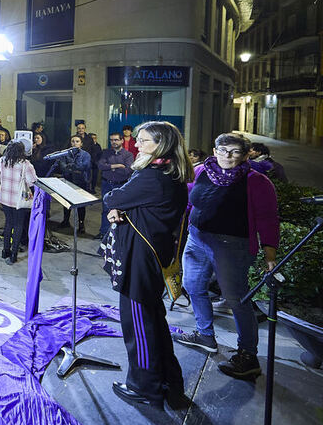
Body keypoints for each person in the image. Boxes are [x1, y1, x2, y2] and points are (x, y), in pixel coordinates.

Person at [173, 133, 279, 380]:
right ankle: (205, 335)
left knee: (236, 298)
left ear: (245, 155)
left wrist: (269, 252)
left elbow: (268, 218)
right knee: (193, 286)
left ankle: (248, 356)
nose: (228, 156)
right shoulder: (202, 171)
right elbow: (191, 201)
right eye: (223, 150)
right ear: (214, 150)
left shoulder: (256, 181)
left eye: (235, 152)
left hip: (232, 245)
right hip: (197, 237)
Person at [100, 121, 190, 407]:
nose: (136, 145)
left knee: (138, 325)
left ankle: (144, 387)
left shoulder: (151, 176)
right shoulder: (169, 173)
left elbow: (112, 197)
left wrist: (117, 206)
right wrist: (123, 209)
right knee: (155, 322)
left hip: (140, 260)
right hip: (154, 257)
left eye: (143, 140)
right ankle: (169, 382)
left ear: (161, 145)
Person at [0, 141, 38, 264]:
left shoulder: (2, 161)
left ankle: (5, 251)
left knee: (8, 224)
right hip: (18, 200)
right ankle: (14, 254)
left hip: (5, 197)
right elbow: (32, 182)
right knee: (19, 225)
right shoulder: (26, 165)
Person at [96, 131, 134, 240]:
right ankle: (103, 233)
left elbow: (127, 171)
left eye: (116, 140)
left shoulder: (128, 155)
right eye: (112, 140)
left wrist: (110, 167)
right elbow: (101, 166)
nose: (114, 142)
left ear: (122, 140)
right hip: (106, 184)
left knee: (119, 210)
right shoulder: (106, 153)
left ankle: (117, 235)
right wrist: (117, 165)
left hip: (120, 185)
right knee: (105, 209)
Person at [54, 135, 91, 233]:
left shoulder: (86, 155)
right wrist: (74, 168)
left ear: (81, 143)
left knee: (81, 205)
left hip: (81, 182)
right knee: (66, 203)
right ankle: (66, 221)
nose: (75, 143)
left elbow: (84, 167)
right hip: (68, 181)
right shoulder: (65, 154)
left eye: (77, 141)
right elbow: (63, 167)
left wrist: (71, 167)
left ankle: (81, 224)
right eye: (73, 141)